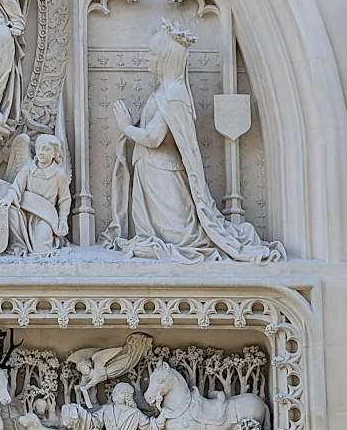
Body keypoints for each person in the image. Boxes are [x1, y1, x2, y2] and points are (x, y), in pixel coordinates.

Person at [103, 18, 284, 263]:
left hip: (163, 176)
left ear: (166, 59)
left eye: (152, 53)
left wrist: (126, 127)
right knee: (157, 235)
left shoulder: (174, 95)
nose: (146, 58)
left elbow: (154, 138)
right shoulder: (163, 92)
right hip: (151, 173)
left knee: (183, 238)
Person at [5, 134, 71, 254]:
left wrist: (63, 219)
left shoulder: (59, 174)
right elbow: (16, 187)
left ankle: (56, 241)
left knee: (41, 249)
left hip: (45, 216)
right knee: (11, 211)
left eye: (46, 149)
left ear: (55, 153)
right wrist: (10, 196)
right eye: (39, 148)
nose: (41, 152)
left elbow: (65, 199)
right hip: (25, 214)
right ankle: (19, 246)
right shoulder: (28, 168)